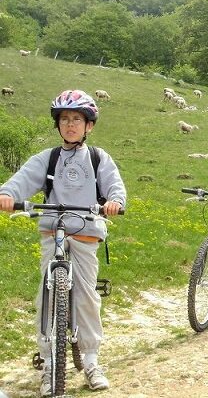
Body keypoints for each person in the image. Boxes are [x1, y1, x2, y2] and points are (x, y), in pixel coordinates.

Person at [0, 90, 126, 396]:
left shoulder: (98, 158)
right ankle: (47, 361)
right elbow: (22, 180)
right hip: (52, 230)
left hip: (85, 233)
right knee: (46, 295)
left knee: (86, 297)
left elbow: (114, 186)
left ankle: (92, 360)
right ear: (58, 124)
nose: (71, 125)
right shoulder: (48, 158)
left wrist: (114, 201)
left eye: (77, 120)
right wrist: (7, 194)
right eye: (65, 119)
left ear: (88, 126)